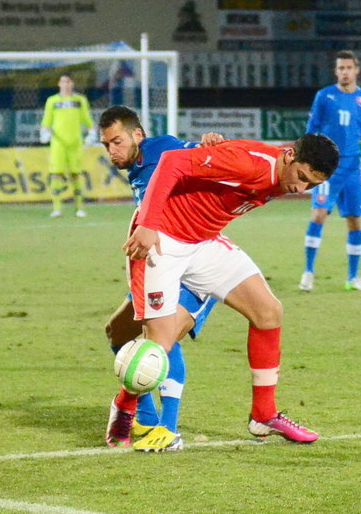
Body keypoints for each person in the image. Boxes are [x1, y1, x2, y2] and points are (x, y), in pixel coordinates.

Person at [109, 133, 339, 448]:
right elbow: (171, 161)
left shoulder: (280, 169)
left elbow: (223, 153)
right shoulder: (251, 164)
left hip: (203, 242)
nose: (301, 189)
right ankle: (124, 405)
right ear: (288, 155)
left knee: (268, 312)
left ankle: (264, 415)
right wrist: (147, 224)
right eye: (301, 177)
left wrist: (214, 140)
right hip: (162, 239)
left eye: (312, 185)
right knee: (158, 346)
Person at [100, 105, 223, 452]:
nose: (112, 151)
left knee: (162, 337)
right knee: (118, 331)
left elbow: (200, 154)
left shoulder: (163, 148)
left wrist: (210, 144)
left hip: (195, 265)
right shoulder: (136, 166)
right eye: (107, 144)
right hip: (160, 265)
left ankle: (168, 430)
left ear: (138, 135)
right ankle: (147, 415)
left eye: (117, 141)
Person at [299, 50, 361, 293]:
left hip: (353, 168)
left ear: (356, 70)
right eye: (341, 68)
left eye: (349, 68)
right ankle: (308, 272)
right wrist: (307, 163)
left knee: (355, 221)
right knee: (318, 215)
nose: (345, 72)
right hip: (327, 167)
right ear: (336, 72)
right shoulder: (324, 96)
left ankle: (353, 278)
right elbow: (311, 130)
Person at [40, 72, 96, 218]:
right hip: (58, 143)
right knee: (56, 174)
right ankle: (57, 208)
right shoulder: (52, 101)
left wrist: (91, 134)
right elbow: (46, 121)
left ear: (72, 84)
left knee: (76, 174)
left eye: (68, 82)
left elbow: (88, 120)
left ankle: (79, 208)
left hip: (75, 143)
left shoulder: (80, 100)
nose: (65, 84)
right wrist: (45, 133)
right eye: (63, 82)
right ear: (59, 84)